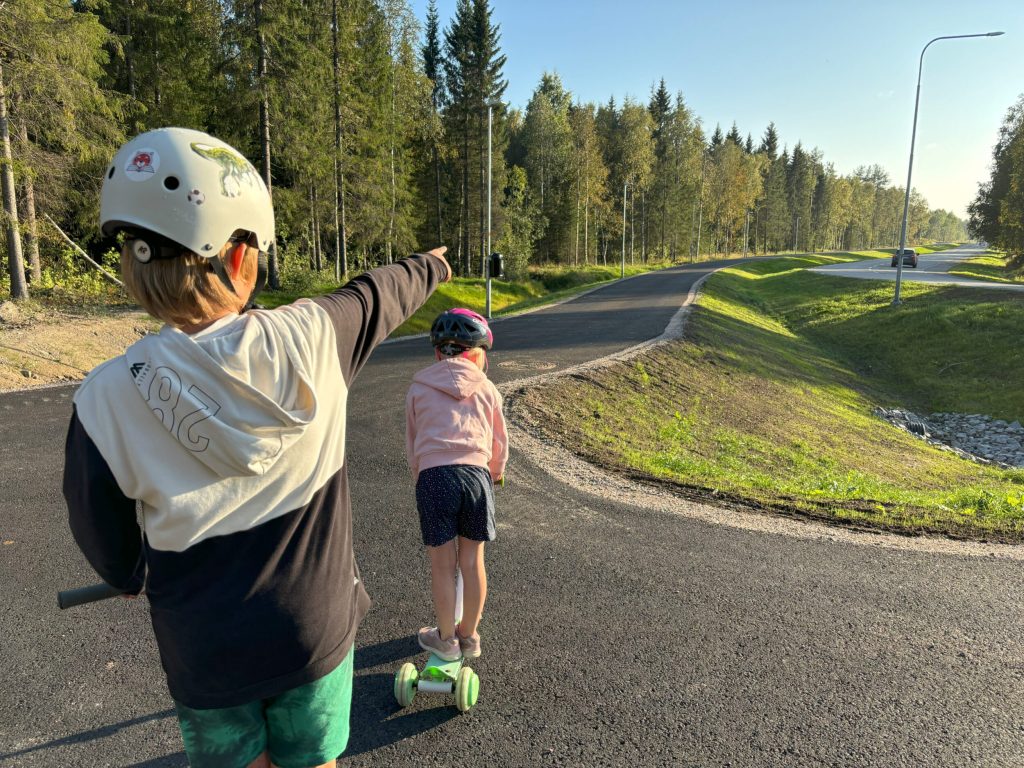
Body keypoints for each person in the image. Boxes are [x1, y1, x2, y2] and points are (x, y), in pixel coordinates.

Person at [62, 126, 451, 768]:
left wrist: (127, 573)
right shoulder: (313, 337)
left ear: (132, 263)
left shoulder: (103, 399)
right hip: (312, 632)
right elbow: (378, 293)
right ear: (240, 259)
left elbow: (98, 527)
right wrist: (430, 266)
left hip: (203, 651)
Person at [405, 308, 508, 662]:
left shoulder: (419, 386)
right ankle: (470, 634)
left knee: (442, 566)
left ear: (438, 352)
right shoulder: (488, 387)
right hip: (477, 478)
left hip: (435, 477)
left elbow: (413, 441)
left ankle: (446, 639)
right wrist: (496, 472)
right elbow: (499, 442)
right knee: (472, 560)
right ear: (477, 353)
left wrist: (421, 475)